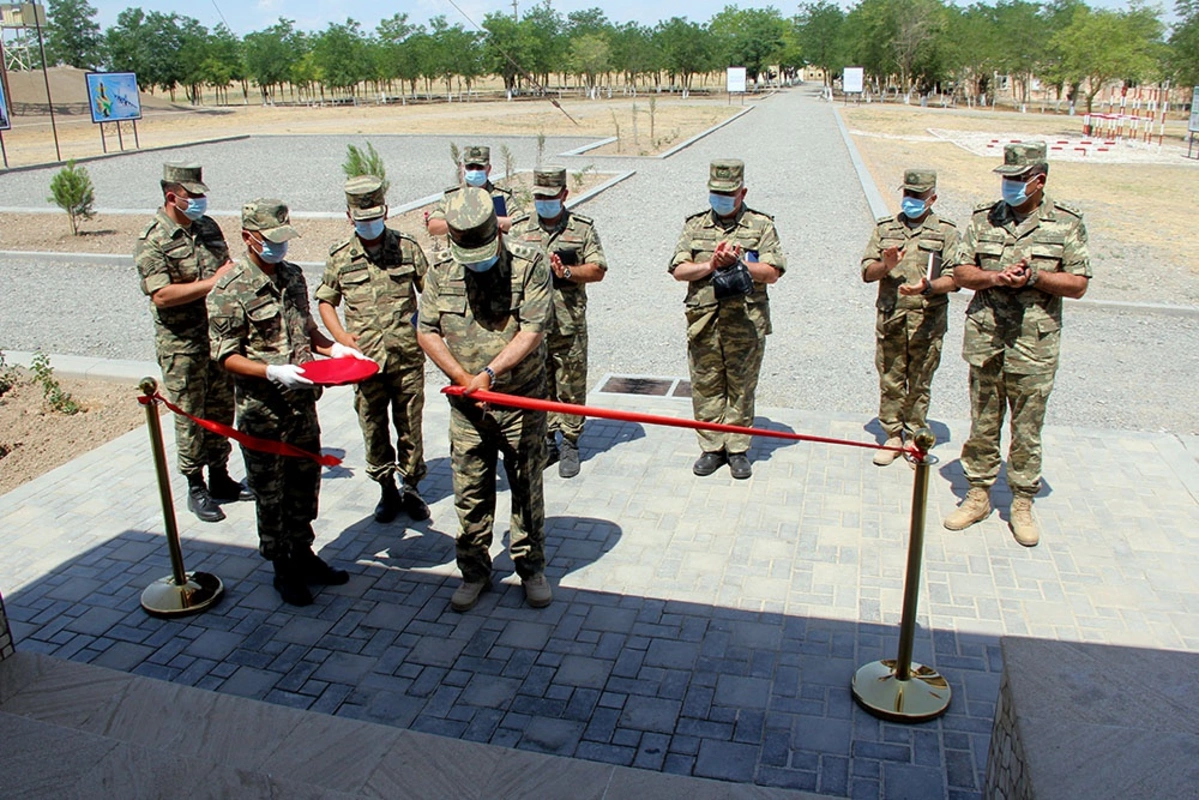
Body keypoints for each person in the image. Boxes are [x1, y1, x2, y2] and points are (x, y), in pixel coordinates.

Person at [207, 199, 366, 605]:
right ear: (248, 237)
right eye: (270, 240)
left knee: (304, 485)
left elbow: (307, 328)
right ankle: (282, 567)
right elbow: (224, 354)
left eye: (283, 239)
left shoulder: (293, 276)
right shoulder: (229, 288)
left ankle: (305, 553)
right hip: (263, 413)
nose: (279, 248)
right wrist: (270, 371)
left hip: (302, 407)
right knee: (271, 493)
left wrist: (334, 351)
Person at [945, 142, 1091, 546]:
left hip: (1033, 344)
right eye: (1006, 178)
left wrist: (1035, 279)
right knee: (983, 423)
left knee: (1027, 429)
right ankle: (977, 494)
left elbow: (1078, 284)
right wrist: (995, 278)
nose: (1008, 186)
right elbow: (959, 271)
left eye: (1016, 179)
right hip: (987, 338)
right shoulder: (983, 219)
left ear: (1038, 181)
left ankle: (1022, 502)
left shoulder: (1065, 223)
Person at [416, 187, 553, 612]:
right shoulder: (440, 271)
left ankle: (531, 568)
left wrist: (490, 374)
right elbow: (427, 330)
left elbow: (532, 330)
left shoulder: (530, 265)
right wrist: (462, 379)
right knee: (471, 489)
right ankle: (474, 570)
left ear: (497, 234)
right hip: (467, 404)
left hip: (520, 401)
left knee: (526, 486)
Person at [134, 162, 251, 523]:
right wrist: (213, 284)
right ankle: (195, 484)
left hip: (215, 338)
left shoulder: (207, 227)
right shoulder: (153, 239)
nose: (200, 202)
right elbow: (162, 295)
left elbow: (226, 267)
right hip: (181, 345)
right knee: (190, 414)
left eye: (202, 195)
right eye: (193, 197)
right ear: (172, 197)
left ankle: (220, 475)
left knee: (219, 408)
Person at [316, 175, 431, 524]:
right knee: (373, 424)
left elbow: (432, 292)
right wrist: (340, 339)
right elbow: (325, 300)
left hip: (407, 357)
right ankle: (386, 489)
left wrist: (429, 331)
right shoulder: (341, 256)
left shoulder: (408, 247)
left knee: (410, 424)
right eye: (361, 219)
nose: (368, 224)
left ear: (386, 212)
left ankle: (411, 486)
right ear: (350, 217)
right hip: (364, 362)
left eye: (374, 217)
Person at [669, 158, 785, 480]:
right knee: (706, 385)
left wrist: (738, 264)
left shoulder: (761, 226)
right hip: (704, 321)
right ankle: (711, 447)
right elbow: (679, 269)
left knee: (742, 387)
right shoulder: (695, 225)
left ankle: (737, 449)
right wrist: (710, 265)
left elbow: (773, 272)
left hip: (745, 324)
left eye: (728, 193)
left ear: (742, 191)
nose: (720, 199)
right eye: (715, 192)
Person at [510, 166, 607, 478]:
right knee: (537, 383)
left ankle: (570, 442)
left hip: (568, 323)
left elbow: (598, 269)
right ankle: (546, 440)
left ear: (564, 195)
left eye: (550, 197)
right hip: (532, 327)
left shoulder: (581, 228)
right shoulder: (520, 228)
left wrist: (567, 272)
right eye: (538, 196)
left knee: (571, 383)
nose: (544, 202)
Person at [860, 168, 959, 467]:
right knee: (890, 379)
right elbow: (867, 272)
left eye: (918, 196)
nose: (911, 200)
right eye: (907, 194)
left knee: (919, 381)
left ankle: (916, 437)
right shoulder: (885, 228)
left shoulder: (946, 231)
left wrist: (928, 286)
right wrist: (885, 265)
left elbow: (955, 277)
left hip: (926, 321)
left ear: (932, 198)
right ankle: (892, 436)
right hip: (891, 318)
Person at [425, 145, 524, 236]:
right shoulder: (452, 196)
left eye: (479, 167)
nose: (475, 170)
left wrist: (487, 222)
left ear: (488, 169)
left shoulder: (501, 195)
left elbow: (521, 223)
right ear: (464, 168)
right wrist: (460, 224)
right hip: (461, 252)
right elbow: (433, 226)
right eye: (470, 167)